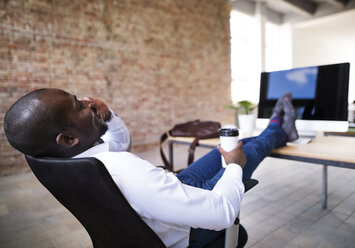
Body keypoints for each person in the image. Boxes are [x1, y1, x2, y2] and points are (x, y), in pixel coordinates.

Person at [4, 88, 298, 248]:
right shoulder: (123, 170)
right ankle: (278, 127)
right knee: (240, 152)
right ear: (68, 138)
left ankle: (275, 130)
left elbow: (118, 145)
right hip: (189, 227)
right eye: (79, 106)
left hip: (166, 196)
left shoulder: (64, 163)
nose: (88, 103)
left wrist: (107, 116)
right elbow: (220, 214)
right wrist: (234, 168)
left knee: (239, 142)